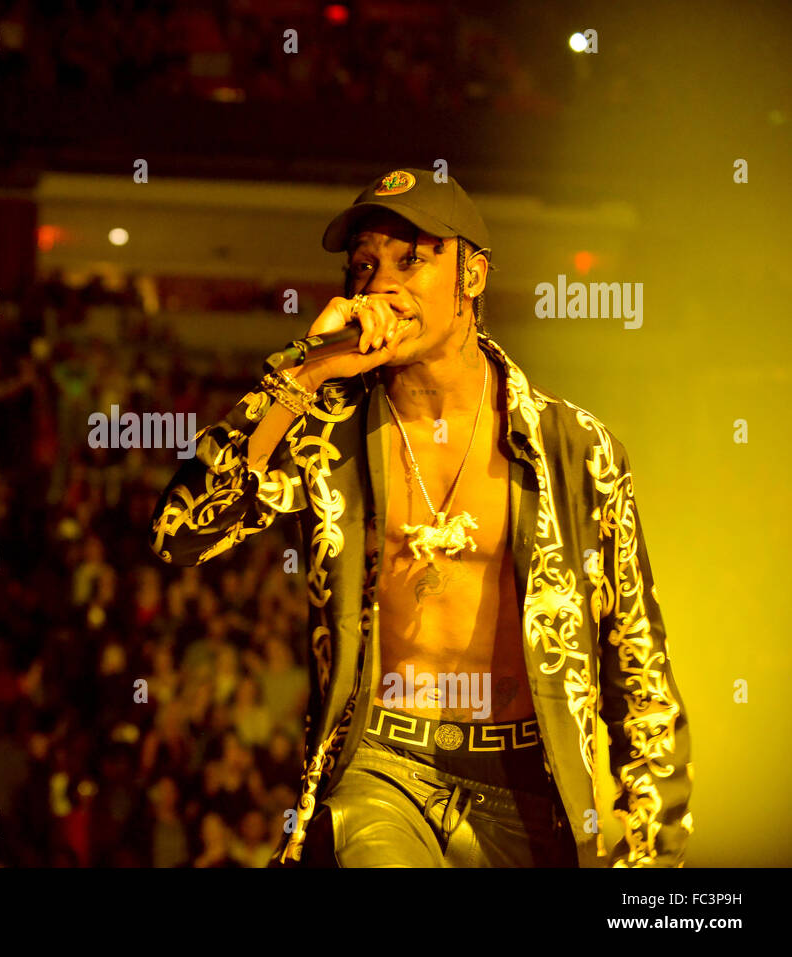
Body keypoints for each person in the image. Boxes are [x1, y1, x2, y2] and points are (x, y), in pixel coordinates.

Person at [149, 168, 691, 868]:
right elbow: (183, 533)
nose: (383, 284)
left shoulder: (573, 447)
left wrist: (653, 856)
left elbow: (639, 663)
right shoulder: (328, 430)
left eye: (413, 259)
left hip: (531, 778)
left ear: (473, 276)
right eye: (366, 265)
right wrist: (307, 372)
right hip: (384, 763)